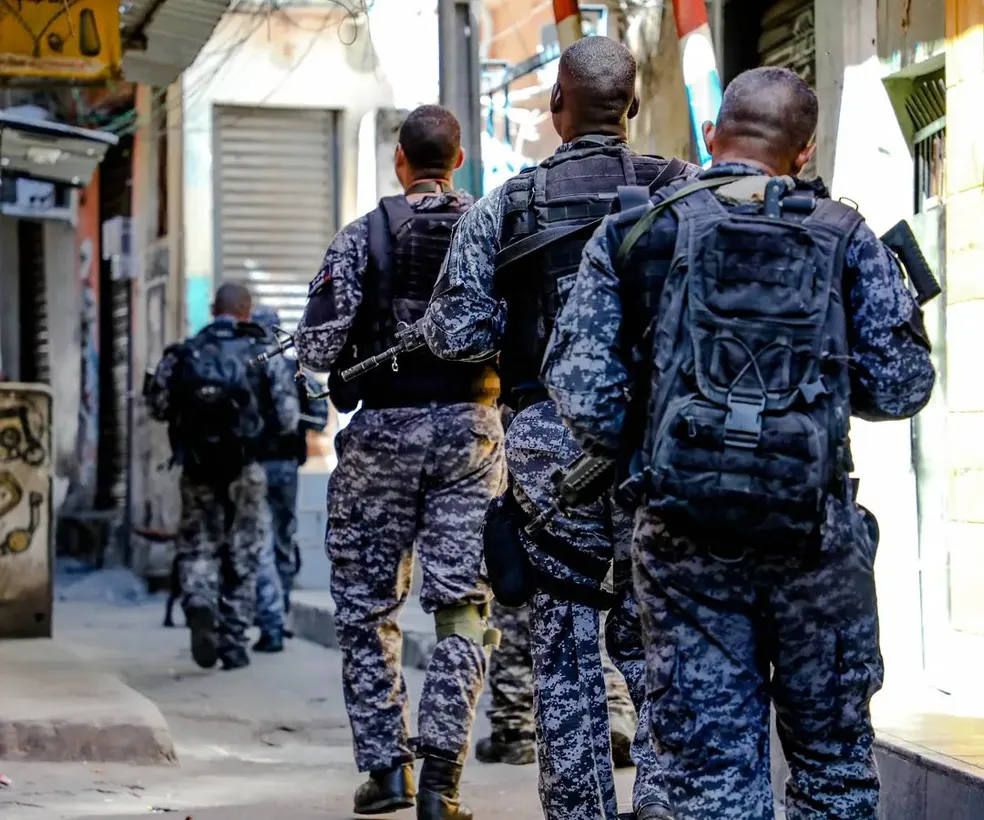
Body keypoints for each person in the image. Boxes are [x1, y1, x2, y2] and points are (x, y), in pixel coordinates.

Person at [543, 66, 936, 820]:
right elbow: (900, 389)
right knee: (834, 768)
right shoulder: (844, 235)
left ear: (712, 136)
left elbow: (585, 400)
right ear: (805, 151)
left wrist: (670, 429)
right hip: (815, 542)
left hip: (684, 546)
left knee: (710, 776)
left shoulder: (637, 228)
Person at [422, 35, 693, 820]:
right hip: (657, 447)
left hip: (549, 449)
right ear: (634, 105)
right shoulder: (686, 191)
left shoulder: (507, 204)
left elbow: (456, 334)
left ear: (555, 107)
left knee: (566, 651)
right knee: (659, 644)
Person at [294, 105, 505, 820]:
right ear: (461, 159)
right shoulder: (496, 231)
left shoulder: (362, 237)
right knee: (463, 609)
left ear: (399, 159)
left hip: (381, 436)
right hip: (472, 434)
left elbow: (317, 352)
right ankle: (443, 784)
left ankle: (388, 773)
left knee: (365, 608)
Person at [146, 283, 300, 671]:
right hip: (246, 468)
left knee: (199, 544)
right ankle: (232, 642)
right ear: (247, 311)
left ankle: (199, 601)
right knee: (243, 552)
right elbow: (287, 418)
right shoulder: (264, 354)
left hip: (197, 467)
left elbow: (158, 406)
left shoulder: (184, 352)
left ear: (213, 308)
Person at [250, 305, 329, 653]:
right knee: (281, 540)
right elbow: (319, 416)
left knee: (253, 542)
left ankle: (262, 617)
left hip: (250, 467)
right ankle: (277, 615)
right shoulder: (292, 370)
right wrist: (294, 426)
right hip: (284, 466)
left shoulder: (245, 367)